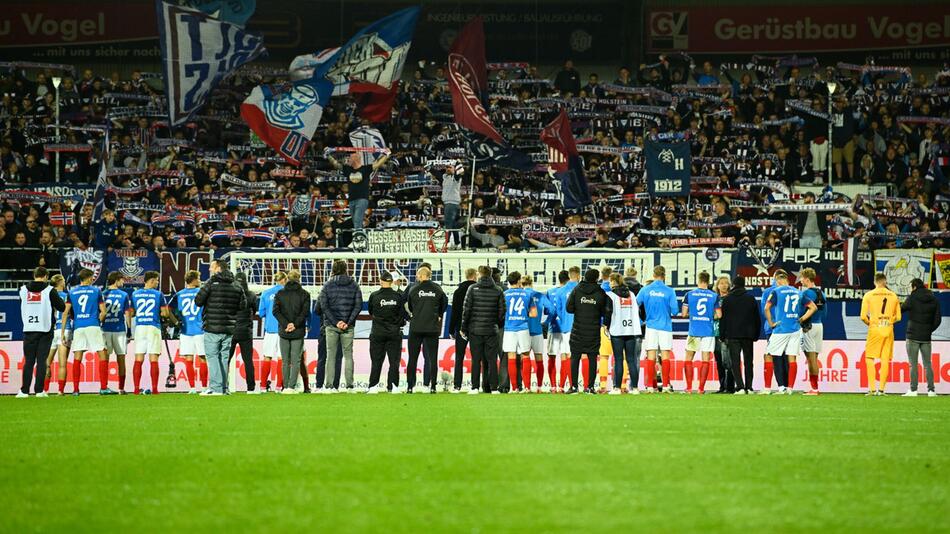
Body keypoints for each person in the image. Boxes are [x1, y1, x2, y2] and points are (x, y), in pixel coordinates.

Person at [195, 260, 247, 396]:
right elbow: (242, 305)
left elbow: (198, 301)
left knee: (212, 357)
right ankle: (224, 388)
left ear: (218, 268)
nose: (210, 270)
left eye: (211, 267)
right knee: (224, 358)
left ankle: (216, 388)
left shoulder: (211, 283)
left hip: (212, 327)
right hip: (229, 328)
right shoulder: (237, 285)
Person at [764, 271, 817, 395]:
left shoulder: (776, 291)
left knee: (768, 355)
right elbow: (813, 307)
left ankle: (767, 389)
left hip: (781, 329)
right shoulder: (798, 292)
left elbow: (766, 308)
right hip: (795, 329)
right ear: (787, 281)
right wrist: (802, 319)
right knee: (791, 358)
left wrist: (771, 323)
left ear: (777, 281)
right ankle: (790, 388)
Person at [18, 266, 65, 397]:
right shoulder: (49, 290)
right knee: (41, 361)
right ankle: (39, 391)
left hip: (29, 329)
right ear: (45, 277)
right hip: (45, 329)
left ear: (34, 275)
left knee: (29, 361)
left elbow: (21, 305)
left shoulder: (22, 290)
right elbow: (61, 307)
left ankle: (24, 391)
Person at [61, 268, 107, 396]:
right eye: (92, 277)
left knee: (77, 357)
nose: (93, 279)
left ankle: (75, 390)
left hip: (78, 327)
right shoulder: (96, 291)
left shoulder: (72, 292)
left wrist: (62, 333)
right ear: (88, 278)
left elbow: (65, 313)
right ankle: (103, 387)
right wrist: (100, 321)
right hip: (93, 325)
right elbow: (103, 311)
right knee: (102, 354)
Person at [460, 265, 505, 394]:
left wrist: (464, 327)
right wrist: (496, 324)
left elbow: (466, 310)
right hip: (491, 330)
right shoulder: (498, 290)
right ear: (490, 274)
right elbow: (502, 311)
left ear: (479, 274)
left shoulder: (472, 289)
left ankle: (475, 387)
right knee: (492, 360)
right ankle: (494, 387)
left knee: (476, 360)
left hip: (475, 330)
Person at [318, 259, 362, 392]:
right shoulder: (354, 285)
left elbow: (324, 306)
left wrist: (336, 322)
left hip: (331, 326)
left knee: (330, 356)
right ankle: (349, 386)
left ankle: (329, 386)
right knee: (348, 355)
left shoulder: (327, 285)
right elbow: (358, 305)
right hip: (348, 327)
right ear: (346, 269)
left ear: (333, 269)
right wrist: (347, 322)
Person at [566, 268, 611, 394]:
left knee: (575, 357)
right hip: (593, 331)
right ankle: (590, 387)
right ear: (597, 279)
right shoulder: (601, 293)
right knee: (592, 358)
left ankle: (574, 387)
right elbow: (607, 310)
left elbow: (569, 308)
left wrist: (580, 308)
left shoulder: (577, 290)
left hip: (578, 330)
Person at [636, 266, 678, 393]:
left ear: (653, 275)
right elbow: (675, 311)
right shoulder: (670, 291)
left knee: (651, 356)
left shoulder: (645, 289)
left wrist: (640, 321)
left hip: (650, 326)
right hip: (665, 326)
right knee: (665, 356)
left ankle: (650, 386)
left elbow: (635, 304)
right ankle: (665, 386)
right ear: (664, 276)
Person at [406, 266, 447, 394]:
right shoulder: (438, 289)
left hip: (416, 327)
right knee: (432, 358)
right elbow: (444, 304)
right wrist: (438, 315)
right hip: (432, 328)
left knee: (412, 358)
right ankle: (433, 386)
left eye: (418, 275)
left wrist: (417, 314)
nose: (417, 278)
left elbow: (410, 307)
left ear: (422, 275)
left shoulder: (413, 289)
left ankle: (410, 387)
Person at [859, 273, 901, 396]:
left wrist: (871, 323)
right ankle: (882, 390)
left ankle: (872, 389)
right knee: (885, 359)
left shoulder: (869, 295)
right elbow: (898, 317)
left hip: (875, 328)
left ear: (875, 282)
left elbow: (862, 316)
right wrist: (888, 322)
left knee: (869, 357)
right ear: (885, 282)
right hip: (888, 328)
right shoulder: (893, 295)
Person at [327, 151, 390, 230]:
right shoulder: (348, 169)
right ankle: (359, 236)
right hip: (352, 200)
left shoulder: (365, 169)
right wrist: (328, 155)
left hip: (362, 199)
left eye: (350, 158)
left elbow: (378, 164)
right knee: (355, 221)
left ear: (355, 159)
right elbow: (336, 164)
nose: (348, 159)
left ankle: (358, 238)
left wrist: (386, 155)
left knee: (357, 220)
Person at [680, 272, 720, 395]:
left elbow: (684, 314)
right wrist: (709, 317)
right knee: (705, 359)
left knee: (688, 358)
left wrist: (694, 315)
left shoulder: (689, 294)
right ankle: (701, 389)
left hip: (694, 330)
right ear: (708, 281)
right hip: (708, 331)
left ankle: (689, 388)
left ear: (698, 280)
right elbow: (719, 315)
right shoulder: (714, 295)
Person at [901, 278, 941, 397]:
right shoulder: (933, 298)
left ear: (914, 287)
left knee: (913, 364)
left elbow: (901, 309)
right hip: (926, 337)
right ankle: (931, 390)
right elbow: (938, 320)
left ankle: (913, 390)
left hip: (912, 334)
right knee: (928, 364)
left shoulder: (912, 297)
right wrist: (928, 330)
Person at [720, 276, 760, 394]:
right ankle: (749, 387)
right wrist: (756, 334)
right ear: (744, 285)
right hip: (748, 335)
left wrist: (722, 335)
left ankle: (740, 387)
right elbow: (757, 318)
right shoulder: (750, 298)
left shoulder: (727, 299)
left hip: (732, 335)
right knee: (748, 362)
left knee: (735, 363)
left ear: (733, 284)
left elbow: (723, 319)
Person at [367, 271, 405, 394]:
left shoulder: (374, 296)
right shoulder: (398, 297)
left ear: (380, 281)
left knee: (376, 361)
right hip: (394, 333)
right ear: (391, 282)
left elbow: (371, 312)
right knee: (394, 361)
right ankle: (393, 386)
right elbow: (401, 315)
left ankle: (373, 386)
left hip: (378, 332)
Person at [273, 270, 310, 394]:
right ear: (299, 279)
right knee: (296, 360)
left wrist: (285, 324)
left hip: (284, 331)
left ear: (287, 279)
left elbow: (276, 311)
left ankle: (286, 386)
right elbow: (304, 312)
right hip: (298, 331)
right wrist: (294, 324)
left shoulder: (280, 293)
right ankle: (291, 387)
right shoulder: (305, 294)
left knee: (285, 360)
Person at [130, 271, 167, 395]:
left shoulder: (135, 294)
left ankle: (136, 389)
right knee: (153, 358)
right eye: (156, 280)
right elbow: (165, 313)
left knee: (138, 358)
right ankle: (155, 389)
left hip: (140, 327)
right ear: (151, 280)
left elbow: (131, 312)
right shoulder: (158, 294)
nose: (157, 282)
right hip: (153, 327)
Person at [605, 272, 641, 394]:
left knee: (619, 359)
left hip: (617, 330)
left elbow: (608, 312)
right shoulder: (631, 294)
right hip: (631, 330)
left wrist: (606, 325)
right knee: (631, 360)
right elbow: (638, 311)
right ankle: (635, 388)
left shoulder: (610, 295)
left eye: (610, 281)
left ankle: (617, 388)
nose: (609, 284)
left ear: (614, 282)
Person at [173, 270, 205, 394]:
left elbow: (168, 310)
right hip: (200, 329)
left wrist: (176, 322)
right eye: (199, 278)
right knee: (203, 358)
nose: (200, 280)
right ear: (193, 280)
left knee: (188, 359)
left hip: (185, 330)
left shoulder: (179, 294)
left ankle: (191, 388)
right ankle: (203, 387)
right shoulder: (201, 292)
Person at [230, 272, 260, 394]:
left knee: (225, 360)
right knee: (248, 361)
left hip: (231, 330)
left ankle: (221, 386)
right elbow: (254, 310)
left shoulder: (230, 295)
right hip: (245, 331)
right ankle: (251, 388)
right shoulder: (251, 295)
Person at [502, 271, 532, 393]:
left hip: (509, 329)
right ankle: (527, 387)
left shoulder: (504, 294)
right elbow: (533, 313)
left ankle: (514, 388)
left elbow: (501, 312)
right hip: (523, 327)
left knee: (511, 356)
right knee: (525, 355)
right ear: (519, 280)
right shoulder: (526, 294)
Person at [101, 272, 130, 394]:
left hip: (105, 329)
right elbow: (127, 313)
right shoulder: (123, 294)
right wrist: (129, 330)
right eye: (122, 280)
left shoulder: (102, 294)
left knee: (105, 360)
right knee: (121, 359)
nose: (122, 283)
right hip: (119, 330)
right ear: (117, 280)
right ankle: (121, 388)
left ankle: (104, 387)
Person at [448, 268, 477, 393]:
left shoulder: (458, 291)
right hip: (476, 327)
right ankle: (475, 386)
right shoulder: (478, 290)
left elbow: (454, 311)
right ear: (475, 276)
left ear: (466, 275)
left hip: (461, 328)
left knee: (459, 357)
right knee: (477, 357)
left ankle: (457, 386)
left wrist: (451, 329)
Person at [799, 268, 826, 396]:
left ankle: (814, 389)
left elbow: (806, 310)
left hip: (809, 326)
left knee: (811, 359)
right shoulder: (822, 293)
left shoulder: (807, 293)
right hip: (819, 325)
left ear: (807, 279)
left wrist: (801, 320)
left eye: (802, 278)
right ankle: (814, 387)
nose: (800, 280)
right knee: (814, 357)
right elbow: (825, 312)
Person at [553, 266, 581, 390]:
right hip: (581, 327)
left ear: (569, 276)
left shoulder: (560, 291)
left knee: (565, 355)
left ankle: (563, 386)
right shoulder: (583, 290)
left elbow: (558, 310)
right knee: (583, 355)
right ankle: (584, 386)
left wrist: (565, 319)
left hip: (566, 327)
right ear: (579, 276)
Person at [258, 272, 286, 392]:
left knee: (267, 357)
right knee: (281, 358)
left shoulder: (266, 293)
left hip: (270, 330)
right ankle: (279, 387)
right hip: (283, 329)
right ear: (284, 280)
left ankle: (263, 386)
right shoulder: (287, 293)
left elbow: (261, 313)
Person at [44, 274, 71, 394]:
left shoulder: (47, 296)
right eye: (63, 280)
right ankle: (60, 391)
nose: (65, 283)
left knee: (46, 362)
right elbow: (70, 313)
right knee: (62, 364)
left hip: (50, 330)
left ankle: (44, 390)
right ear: (60, 282)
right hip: (64, 329)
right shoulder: (66, 296)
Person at [521, 276, 547, 393]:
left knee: (525, 357)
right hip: (537, 330)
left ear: (522, 284)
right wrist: (545, 322)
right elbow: (551, 309)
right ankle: (539, 387)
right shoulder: (540, 295)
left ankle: (527, 387)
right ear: (532, 283)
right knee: (539, 358)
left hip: (524, 330)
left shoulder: (521, 295)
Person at [713, 276, 732, 393]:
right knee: (719, 361)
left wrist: (717, 315)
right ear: (717, 286)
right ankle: (722, 386)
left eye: (726, 283)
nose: (724, 285)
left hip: (728, 333)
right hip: (716, 332)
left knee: (728, 362)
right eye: (722, 283)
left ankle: (729, 386)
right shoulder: (714, 299)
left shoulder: (731, 298)